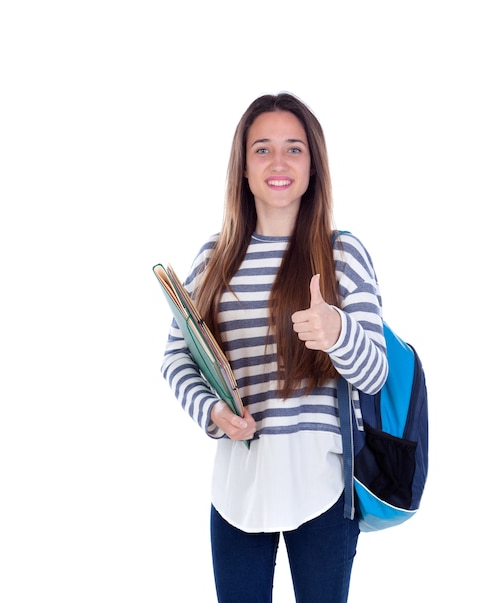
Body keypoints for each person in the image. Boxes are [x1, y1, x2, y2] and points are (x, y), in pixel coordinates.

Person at [160, 92, 388, 603]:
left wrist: (338, 333)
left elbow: (375, 375)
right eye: (262, 149)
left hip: (323, 488)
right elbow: (177, 356)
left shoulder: (342, 254)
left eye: (294, 149)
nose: (278, 163)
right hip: (239, 487)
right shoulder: (213, 260)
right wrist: (214, 411)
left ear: (314, 166)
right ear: (242, 167)